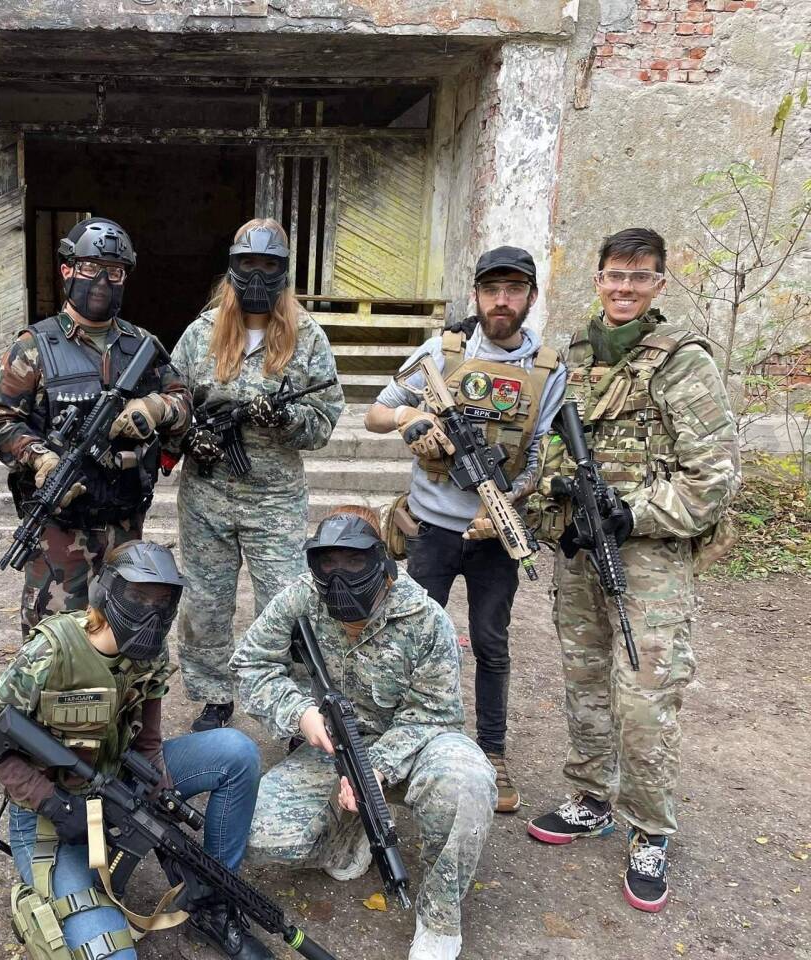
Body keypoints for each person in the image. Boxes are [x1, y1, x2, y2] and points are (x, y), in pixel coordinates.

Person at [526, 228, 740, 913]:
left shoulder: (683, 362)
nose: (624, 288)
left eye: (639, 277)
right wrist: (557, 501)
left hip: (650, 560)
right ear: (598, 279)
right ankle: (592, 798)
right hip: (581, 553)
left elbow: (714, 477)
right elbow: (546, 446)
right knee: (585, 680)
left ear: (658, 284)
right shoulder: (573, 357)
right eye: (614, 275)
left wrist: (634, 513)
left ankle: (650, 830)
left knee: (645, 696)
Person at [0, 541, 270, 960]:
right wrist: (51, 802)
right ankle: (53, 892)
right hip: (50, 814)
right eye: (139, 598)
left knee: (236, 752)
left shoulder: (151, 650)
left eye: (162, 602)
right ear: (106, 593)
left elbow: (148, 741)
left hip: (119, 782)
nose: (151, 613)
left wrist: (159, 797)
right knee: (113, 954)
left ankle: (213, 903)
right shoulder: (52, 650)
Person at [232, 507, 495, 960]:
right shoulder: (301, 597)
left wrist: (374, 768)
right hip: (331, 749)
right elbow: (250, 664)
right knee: (258, 836)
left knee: (466, 782)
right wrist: (300, 713)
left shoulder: (425, 618)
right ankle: (348, 838)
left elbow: (434, 712)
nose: (339, 577)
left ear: (381, 560)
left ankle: (439, 919)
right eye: (328, 563)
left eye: (354, 562)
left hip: (417, 746)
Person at [364, 245, 566, 813]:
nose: (502, 301)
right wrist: (409, 417)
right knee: (410, 639)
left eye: (514, 289)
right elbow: (374, 414)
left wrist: (507, 503)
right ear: (476, 295)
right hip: (429, 529)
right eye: (492, 289)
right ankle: (398, 746)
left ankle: (493, 752)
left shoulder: (547, 370)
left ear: (530, 297)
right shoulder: (441, 352)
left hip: (495, 535)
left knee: (491, 644)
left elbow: (540, 453)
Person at [170, 219, 343, 733]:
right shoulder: (201, 333)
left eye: (269, 265)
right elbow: (171, 401)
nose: (258, 276)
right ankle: (213, 695)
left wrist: (286, 418)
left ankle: (294, 708)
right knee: (205, 603)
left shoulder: (307, 337)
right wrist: (190, 436)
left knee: (288, 604)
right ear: (232, 267)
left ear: (284, 271)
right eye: (249, 264)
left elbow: (325, 420)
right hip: (206, 494)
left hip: (274, 499)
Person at [0, 218, 190, 636]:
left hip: (125, 525)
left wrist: (155, 407)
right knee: (53, 643)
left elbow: (184, 403)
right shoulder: (33, 347)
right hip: (60, 532)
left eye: (113, 272)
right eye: (90, 267)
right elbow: (1, 422)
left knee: (129, 634)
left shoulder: (141, 344)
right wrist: (40, 459)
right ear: (67, 270)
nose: (100, 281)